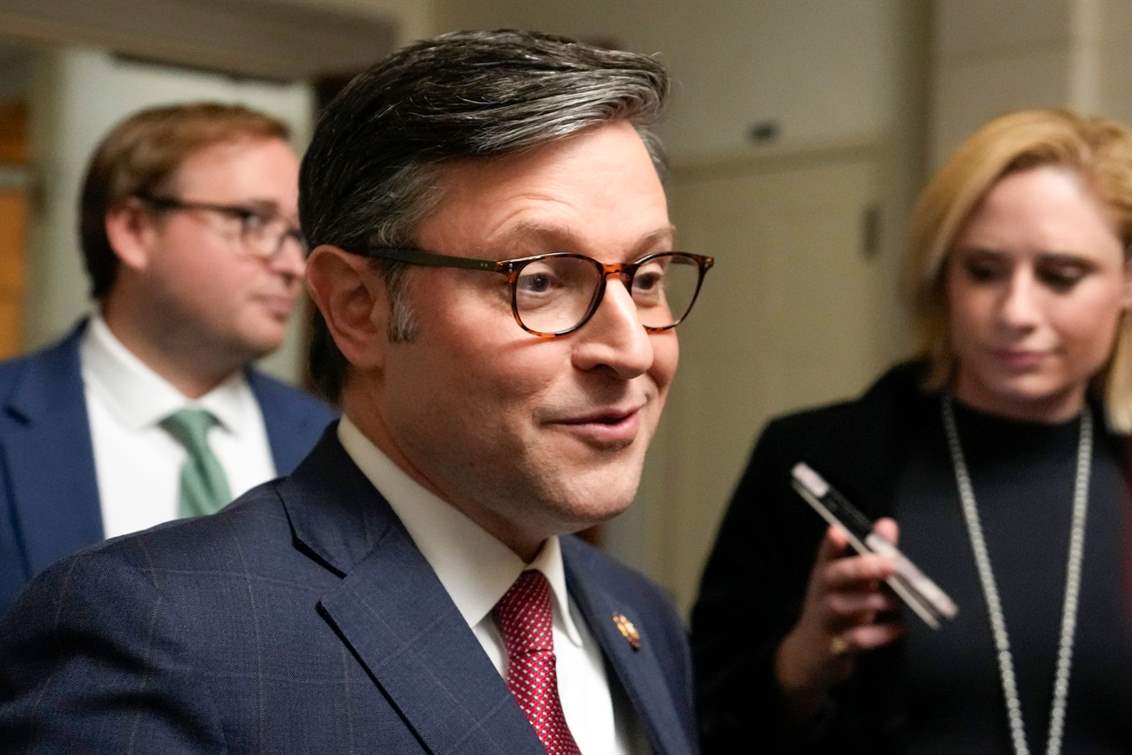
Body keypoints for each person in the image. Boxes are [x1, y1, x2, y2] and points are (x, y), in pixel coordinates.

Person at [0, 30, 711, 753]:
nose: (632, 348)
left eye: (648, 277)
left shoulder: (643, 621)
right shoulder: (155, 631)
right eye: (540, 280)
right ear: (357, 307)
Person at [693, 108, 1132, 753]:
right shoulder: (814, 462)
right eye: (983, 271)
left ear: (1126, 280)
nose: (1016, 311)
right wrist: (800, 665)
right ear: (943, 277)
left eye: (1060, 277)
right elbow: (701, 715)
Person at [0, 103, 334, 614]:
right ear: (135, 229)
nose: (294, 265)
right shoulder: (12, 420)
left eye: (297, 234)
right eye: (252, 220)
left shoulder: (329, 441)